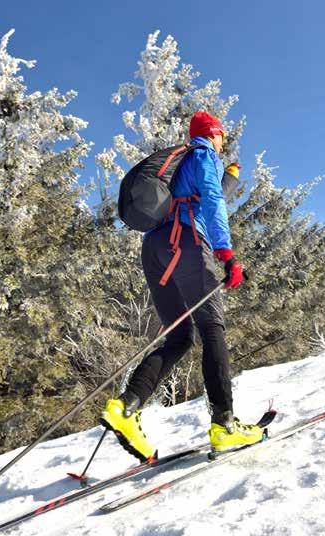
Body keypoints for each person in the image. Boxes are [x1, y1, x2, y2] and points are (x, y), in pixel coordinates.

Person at [101, 111, 263, 460]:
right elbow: (212, 200)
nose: (224, 142)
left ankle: (125, 408)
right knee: (212, 327)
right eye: (222, 136)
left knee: (179, 336)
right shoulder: (204, 154)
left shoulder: (178, 163)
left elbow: (205, 195)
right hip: (186, 243)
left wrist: (229, 178)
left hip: (155, 249)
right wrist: (227, 255)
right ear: (213, 134)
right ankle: (225, 426)